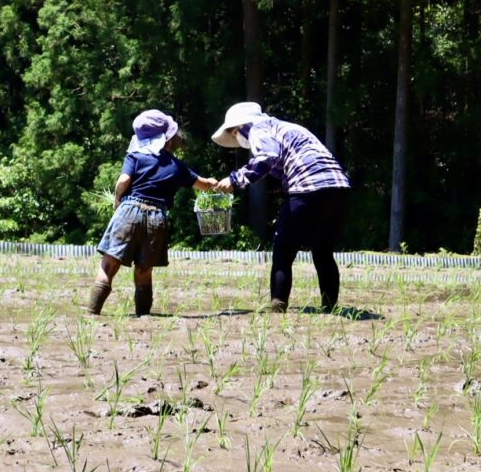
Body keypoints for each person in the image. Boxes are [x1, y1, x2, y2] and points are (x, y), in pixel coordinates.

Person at [211, 102, 351, 313]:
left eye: (233, 132)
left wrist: (235, 179)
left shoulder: (258, 129)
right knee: (323, 250)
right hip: (340, 188)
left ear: (241, 126)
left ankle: (278, 305)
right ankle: (329, 307)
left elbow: (268, 157)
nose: (235, 137)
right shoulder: (287, 128)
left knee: (283, 248)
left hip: (308, 187)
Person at [88, 110, 224, 316]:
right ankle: (143, 316)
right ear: (167, 141)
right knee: (144, 269)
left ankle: (92, 311)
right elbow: (202, 184)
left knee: (109, 265)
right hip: (156, 217)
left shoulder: (135, 156)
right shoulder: (176, 166)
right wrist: (214, 183)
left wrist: (117, 199)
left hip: (129, 211)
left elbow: (123, 181)